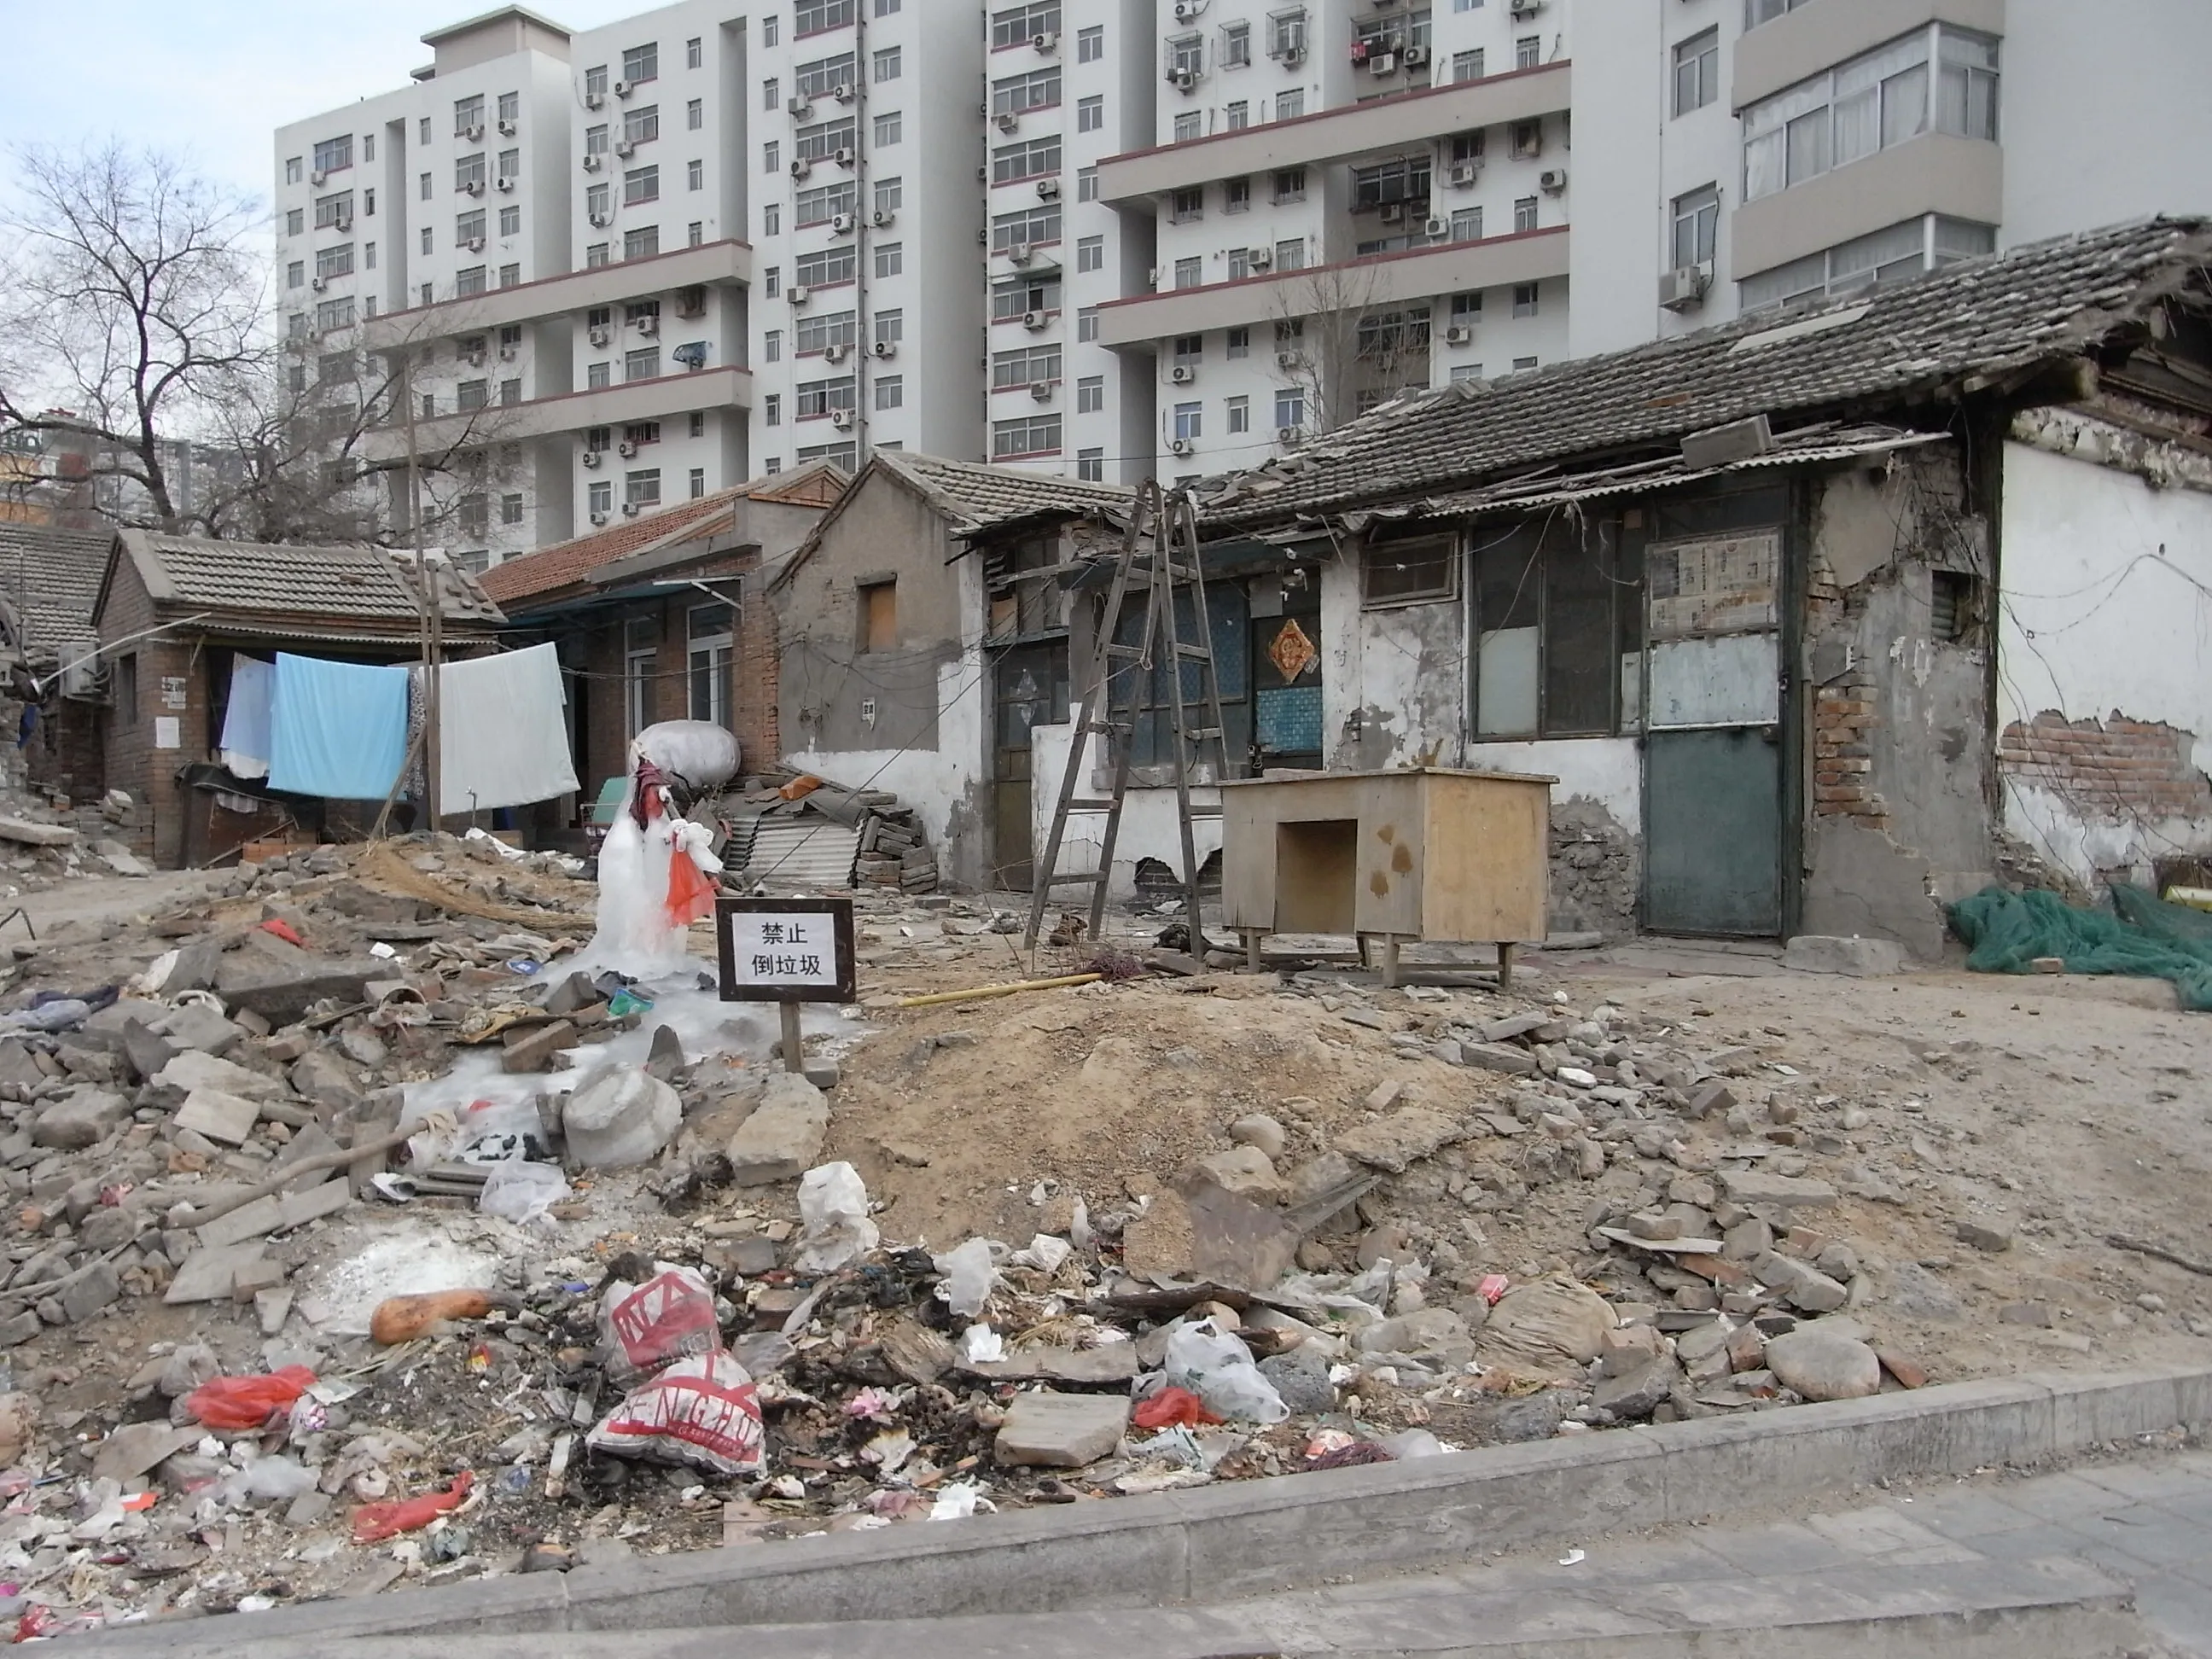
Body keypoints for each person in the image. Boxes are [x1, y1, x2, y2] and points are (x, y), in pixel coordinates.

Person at [587, 746, 723, 975]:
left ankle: (660, 952)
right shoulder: (626, 836)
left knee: (663, 920)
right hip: (638, 894)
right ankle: (636, 950)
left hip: (659, 887)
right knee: (643, 919)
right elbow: (621, 878)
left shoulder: (657, 825)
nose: (660, 798)